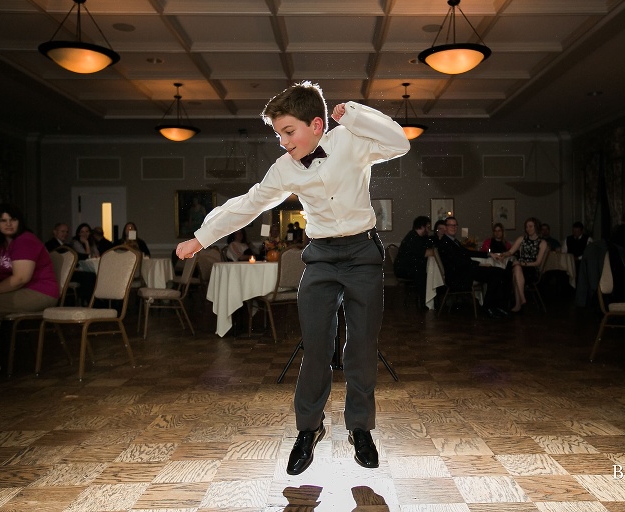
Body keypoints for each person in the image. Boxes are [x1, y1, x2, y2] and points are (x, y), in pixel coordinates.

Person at [175, 81, 409, 475]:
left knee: (362, 347)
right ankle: (308, 428)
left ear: (317, 124)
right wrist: (201, 238)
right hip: (320, 258)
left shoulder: (351, 140)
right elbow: (248, 204)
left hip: (363, 255)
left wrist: (352, 112)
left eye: (288, 132)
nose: (282, 142)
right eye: (278, 134)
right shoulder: (283, 168)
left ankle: (360, 429)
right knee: (315, 347)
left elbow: (399, 142)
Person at [0, 203, 59, 379]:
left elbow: (20, 278)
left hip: (39, 291)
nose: (8, 224)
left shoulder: (26, 240)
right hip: (14, 289)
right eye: (3, 220)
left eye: (12, 219)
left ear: (19, 221)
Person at [436, 216, 510, 318]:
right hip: (458, 276)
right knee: (496, 273)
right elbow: (458, 263)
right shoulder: (444, 243)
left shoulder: (454, 241)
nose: (453, 227)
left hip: (466, 271)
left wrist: (489, 254)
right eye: (450, 225)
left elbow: (467, 252)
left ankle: (495, 306)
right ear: (445, 227)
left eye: (455, 225)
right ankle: (490, 307)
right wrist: (480, 264)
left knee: (499, 272)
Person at [495, 217, 548, 313]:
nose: (528, 229)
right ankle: (522, 300)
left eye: (531, 226)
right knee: (516, 268)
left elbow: (538, 262)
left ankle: (519, 303)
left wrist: (522, 263)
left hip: (532, 270)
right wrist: (502, 255)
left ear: (536, 227)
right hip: (519, 267)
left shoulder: (542, 243)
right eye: (527, 227)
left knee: (516, 269)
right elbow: (510, 252)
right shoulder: (521, 239)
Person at [393, 216, 434, 308]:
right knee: (423, 274)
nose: (428, 229)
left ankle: (427, 301)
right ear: (422, 227)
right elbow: (428, 252)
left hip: (409, 267)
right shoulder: (413, 238)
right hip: (403, 270)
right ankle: (424, 303)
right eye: (427, 227)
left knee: (424, 272)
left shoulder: (418, 237)